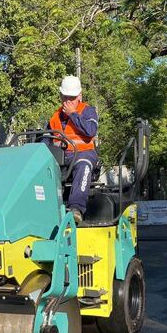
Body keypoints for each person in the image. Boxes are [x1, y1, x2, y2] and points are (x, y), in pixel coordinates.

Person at [48, 75, 99, 225]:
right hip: (60, 158)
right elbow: (46, 139)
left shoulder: (88, 111)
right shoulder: (55, 117)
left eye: (72, 97)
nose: (68, 102)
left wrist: (73, 114)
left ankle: (76, 209)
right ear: (60, 96)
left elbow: (90, 131)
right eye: (65, 97)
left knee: (83, 165)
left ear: (80, 96)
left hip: (83, 154)